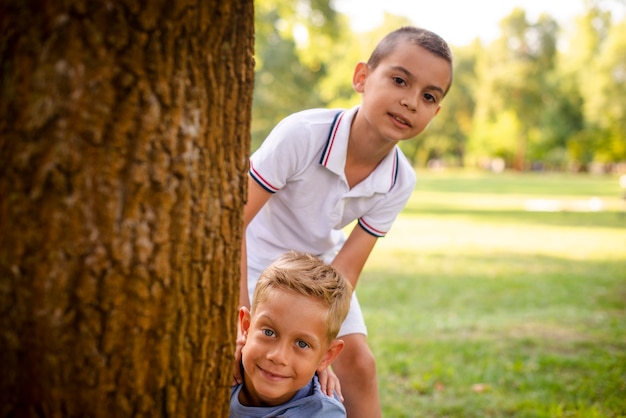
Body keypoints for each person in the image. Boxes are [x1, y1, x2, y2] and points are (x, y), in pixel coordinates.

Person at [237, 26, 454, 417]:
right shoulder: (302, 134)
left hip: (321, 272)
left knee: (358, 364)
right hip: (255, 258)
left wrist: (324, 352)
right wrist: (235, 316)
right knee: (244, 360)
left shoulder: (400, 179)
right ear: (362, 78)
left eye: (427, 96)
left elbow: (348, 267)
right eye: (399, 80)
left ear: (435, 113)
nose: (410, 102)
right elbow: (234, 223)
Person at [230, 251, 352, 417]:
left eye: (302, 344)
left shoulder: (321, 413)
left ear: (326, 357)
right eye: (269, 332)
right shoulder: (213, 371)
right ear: (246, 326)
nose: (278, 357)